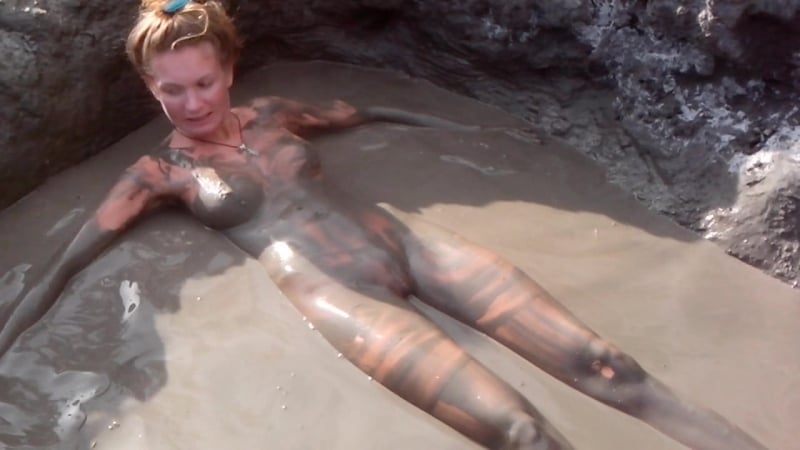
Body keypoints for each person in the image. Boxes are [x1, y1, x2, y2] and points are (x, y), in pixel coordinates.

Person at [0, 1, 767, 449]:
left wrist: (472, 132)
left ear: (230, 69)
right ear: (150, 88)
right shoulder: (156, 174)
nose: (193, 103)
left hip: (411, 246)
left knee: (608, 365)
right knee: (520, 433)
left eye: (204, 82)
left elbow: (360, 111)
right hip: (343, 301)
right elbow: (65, 263)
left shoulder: (272, 114)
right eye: (172, 91)